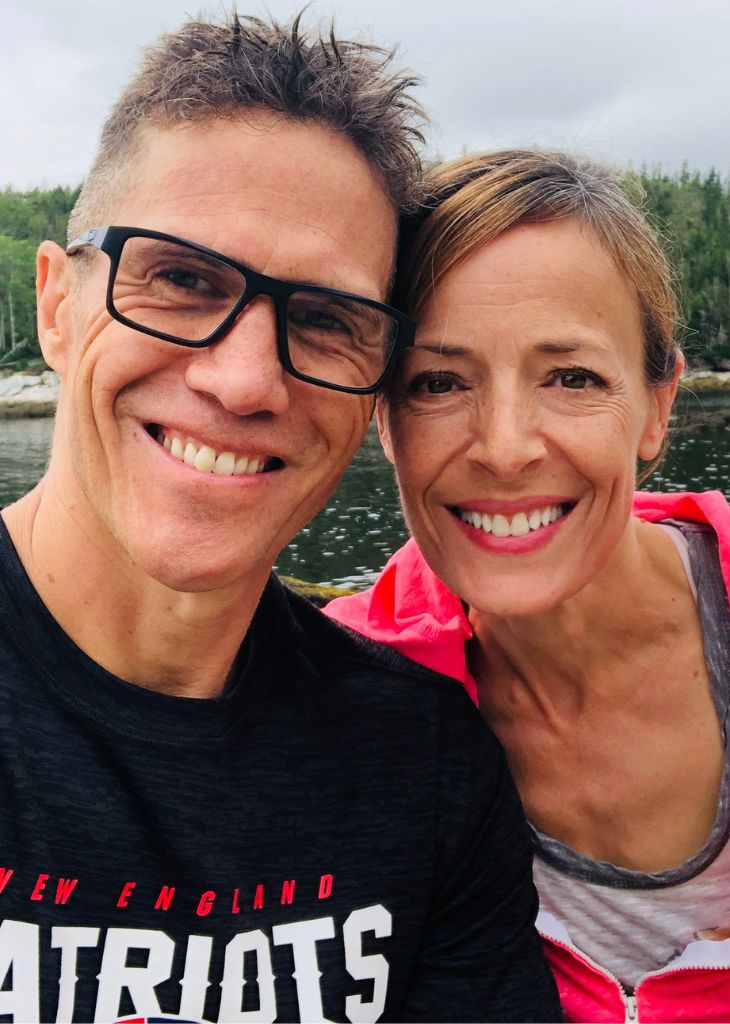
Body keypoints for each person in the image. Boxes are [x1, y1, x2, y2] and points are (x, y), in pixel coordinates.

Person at [0, 21, 561, 1024]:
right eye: (179, 278)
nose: (244, 378)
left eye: (324, 319)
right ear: (56, 303)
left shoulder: (424, 765)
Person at [327, 149, 730, 1023]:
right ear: (384, 421)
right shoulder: (335, 690)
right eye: (439, 382)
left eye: (572, 377)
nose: (506, 446)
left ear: (659, 405)